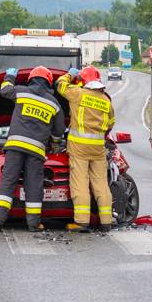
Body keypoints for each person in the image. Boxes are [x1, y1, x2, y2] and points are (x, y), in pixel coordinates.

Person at [0, 66, 65, 232]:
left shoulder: (22, 92)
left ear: (31, 79)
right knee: (33, 185)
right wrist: (55, 142)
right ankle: (33, 224)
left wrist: (9, 77)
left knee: (8, 181)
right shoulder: (54, 104)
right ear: (49, 82)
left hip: (15, 147)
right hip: (36, 151)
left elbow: (5, 90)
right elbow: (59, 131)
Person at [56, 65, 115, 232]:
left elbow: (60, 84)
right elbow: (111, 123)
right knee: (101, 184)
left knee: (80, 183)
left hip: (79, 148)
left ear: (83, 81)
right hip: (98, 149)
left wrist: (69, 75)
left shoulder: (78, 93)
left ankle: (81, 222)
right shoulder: (105, 100)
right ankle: (106, 221)